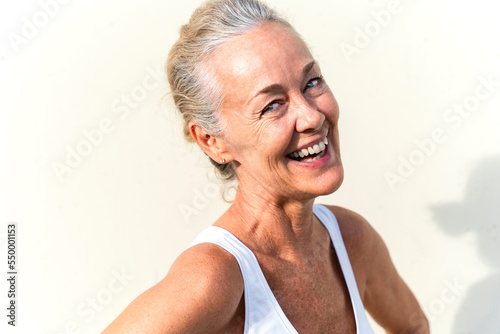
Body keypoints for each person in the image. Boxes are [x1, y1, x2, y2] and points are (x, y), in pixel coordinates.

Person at [103, 0, 429, 332]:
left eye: (312, 83)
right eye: (272, 105)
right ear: (212, 141)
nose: (312, 117)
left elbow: (414, 327)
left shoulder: (351, 239)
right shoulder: (214, 278)